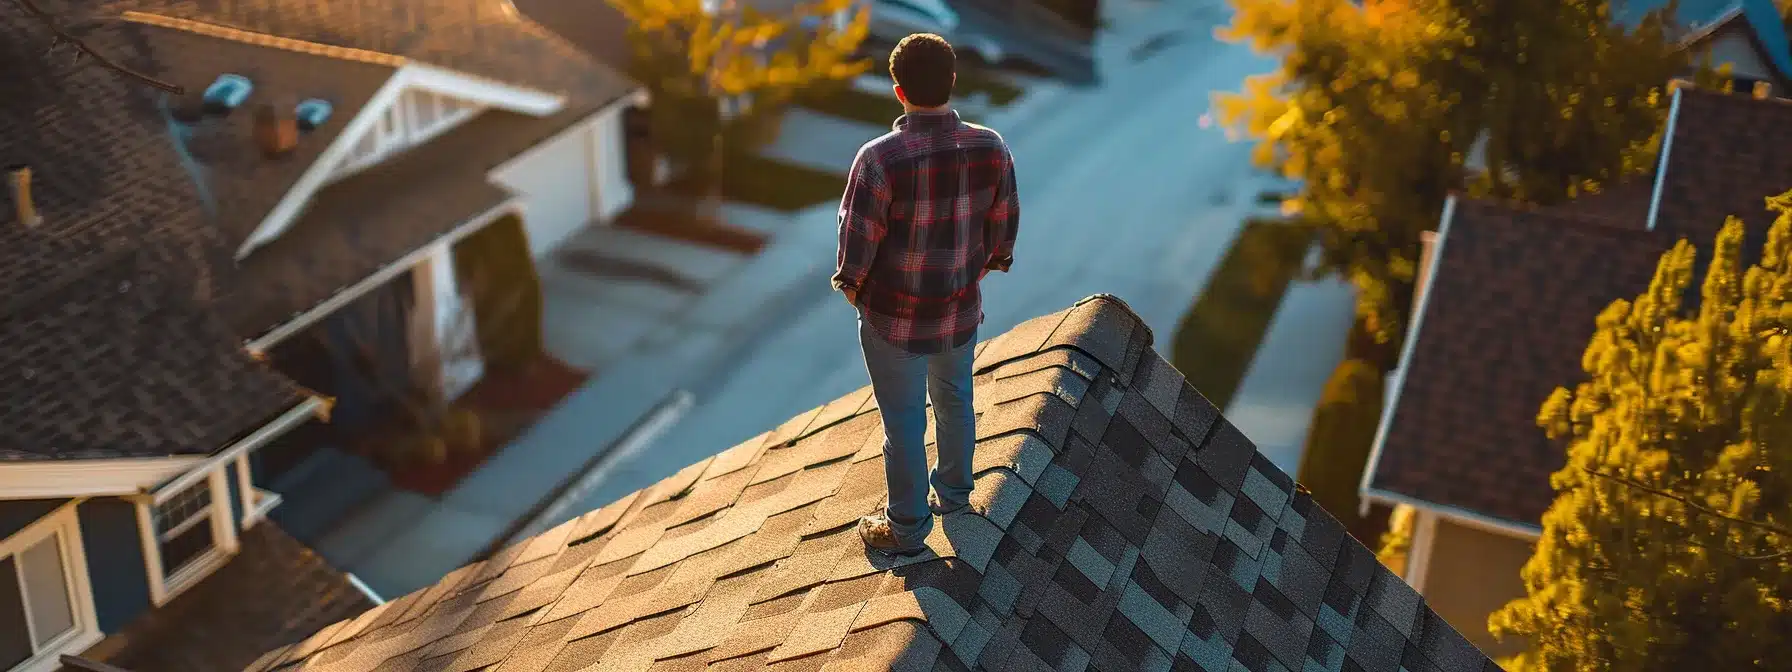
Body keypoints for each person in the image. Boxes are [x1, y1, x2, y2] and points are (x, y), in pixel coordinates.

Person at [832, 33, 1020, 556]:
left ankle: (909, 529)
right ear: (953, 81)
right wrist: (974, 272)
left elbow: (857, 242)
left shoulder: (879, 159)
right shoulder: (990, 145)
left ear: (898, 91)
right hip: (959, 310)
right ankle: (956, 496)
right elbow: (1003, 230)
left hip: (892, 318)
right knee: (956, 399)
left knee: (904, 421)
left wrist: (854, 289)